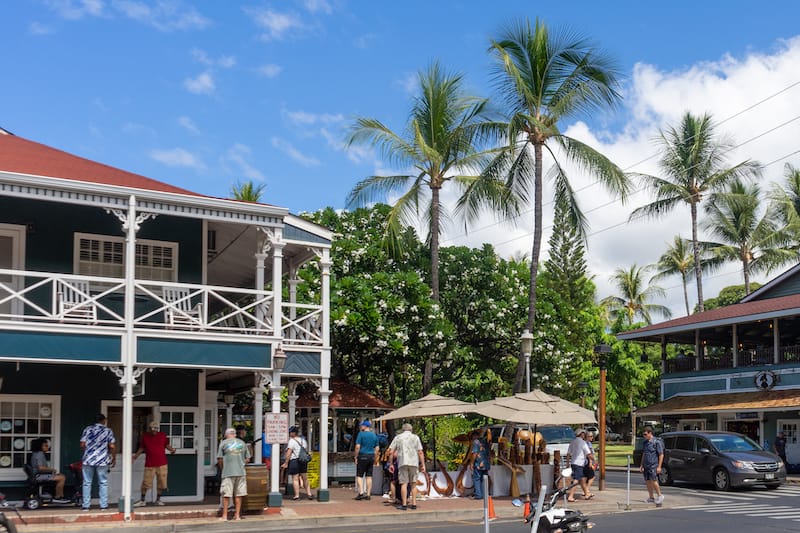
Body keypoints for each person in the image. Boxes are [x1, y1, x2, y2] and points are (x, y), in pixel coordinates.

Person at [133, 421, 176, 507]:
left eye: (156, 429)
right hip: (150, 464)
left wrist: (172, 449)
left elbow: (166, 445)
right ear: (149, 429)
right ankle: (142, 500)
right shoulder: (145, 437)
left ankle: (158, 500)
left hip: (162, 463)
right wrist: (135, 456)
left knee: (161, 482)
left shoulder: (162, 435)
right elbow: (141, 448)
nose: (154, 431)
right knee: (146, 483)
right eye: (153, 429)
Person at [80, 413, 116, 511]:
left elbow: (82, 444)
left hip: (88, 460)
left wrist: (87, 452)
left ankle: (86, 506)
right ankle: (103, 505)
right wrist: (113, 457)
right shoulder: (107, 431)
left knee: (87, 483)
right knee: (103, 482)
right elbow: (112, 446)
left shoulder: (87, 429)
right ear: (103, 420)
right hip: (102, 460)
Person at [387, 422, 425, 511]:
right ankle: (414, 503)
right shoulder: (416, 437)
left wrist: (391, 463)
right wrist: (422, 464)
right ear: (411, 430)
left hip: (402, 462)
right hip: (414, 462)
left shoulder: (398, 437)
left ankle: (404, 504)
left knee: (404, 483)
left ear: (402, 430)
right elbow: (420, 452)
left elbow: (391, 451)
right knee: (413, 484)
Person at [217, 427, 251, 521]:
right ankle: (237, 516)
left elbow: (219, 459)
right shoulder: (242, 443)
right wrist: (241, 463)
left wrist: (223, 468)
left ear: (226, 435)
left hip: (228, 472)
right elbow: (248, 458)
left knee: (226, 494)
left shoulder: (223, 443)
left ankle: (224, 516)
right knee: (239, 494)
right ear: (235, 434)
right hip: (240, 472)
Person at [284, 426, 313, 500]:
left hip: (294, 460)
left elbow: (289, 452)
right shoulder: (303, 440)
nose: (289, 433)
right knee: (305, 478)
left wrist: (286, 462)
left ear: (294, 433)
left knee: (295, 478)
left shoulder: (292, 441)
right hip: (303, 460)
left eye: (290, 432)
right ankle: (309, 494)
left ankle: (297, 495)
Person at [353, 420, 379, 500]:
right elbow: (377, 448)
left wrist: (356, 456)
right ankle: (368, 494)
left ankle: (361, 492)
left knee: (359, 475)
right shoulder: (374, 435)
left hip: (362, 455)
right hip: (371, 456)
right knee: (369, 476)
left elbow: (357, 446)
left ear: (365, 426)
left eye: (362, 425)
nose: (361, 427)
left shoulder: (361, 434)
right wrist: (375, 457)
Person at [639, 426, 664, 506]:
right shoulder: (645, 443)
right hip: (646, 465)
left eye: (645, 434)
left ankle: (660, 495)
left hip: (653, 464)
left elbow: (661, 454)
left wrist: (659, 466)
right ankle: (651, 497)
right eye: (643, 434)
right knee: (647, 481)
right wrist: (641, 464)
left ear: (650, 433)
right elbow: (644, 454)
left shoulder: (656, 442)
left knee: (653, 480)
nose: (644, 436)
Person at [566, 429, 593, 502]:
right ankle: (571, 496)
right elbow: (588, 453)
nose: (584, 435)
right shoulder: (583, 443)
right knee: (576, 480)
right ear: (581, 434)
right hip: (579, 463)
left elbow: (568, 453)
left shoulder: (572, 442)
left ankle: (587, 493)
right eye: (584, 434)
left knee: (581, 479)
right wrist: (594, 459)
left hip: (573, 463)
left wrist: (567, 463)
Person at [468, 428, 491, 500]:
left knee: (476, 479)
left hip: (478, 464)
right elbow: (489, 452)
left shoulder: (476, 442)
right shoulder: (485, 442)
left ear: (474, 436)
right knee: (484, 479)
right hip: (486, 463)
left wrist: (471, 463)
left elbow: (475, 453)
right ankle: (484, 494)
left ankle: (478, 495)